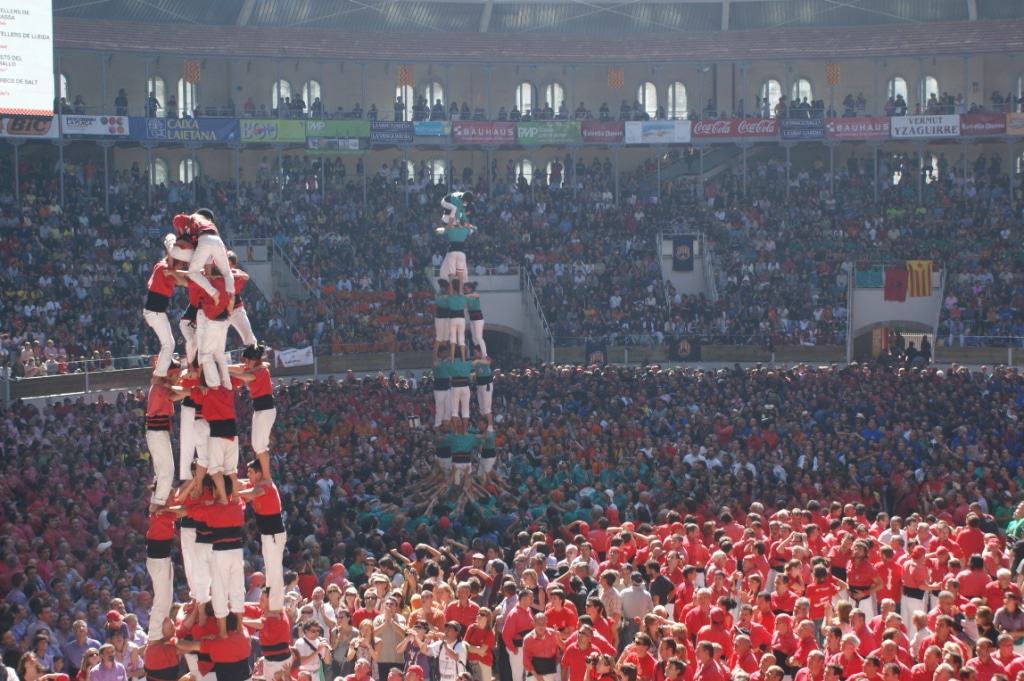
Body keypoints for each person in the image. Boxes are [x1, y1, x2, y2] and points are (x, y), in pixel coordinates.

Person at [241, 459, 287, 613]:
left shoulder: (265, 486)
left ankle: (275, 604)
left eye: (251, 472)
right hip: (267, 535)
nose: (248, 475)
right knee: (271, 570)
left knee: (274, 570)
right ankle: (272, 602)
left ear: (259, 473)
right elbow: (242, 485)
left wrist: (235, 492)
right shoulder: (255, 484)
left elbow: (251, 494)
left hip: (274, 534)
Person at [230, 345, 276, 480]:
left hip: (266, 410)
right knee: (257, 446)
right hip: (260, 409)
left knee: (261, 446)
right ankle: (262, 473)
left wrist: (226, 371)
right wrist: (223, 367)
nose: (246, 363)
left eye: (248, 360)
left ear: (255, 359)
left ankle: (267, 476)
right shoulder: (257, 367)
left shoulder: (262, 371)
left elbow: (245, 376)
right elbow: (240, 368)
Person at [225, 251, 257, 348]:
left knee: (249, 338)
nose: (226, 266)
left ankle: (254, 357)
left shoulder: (237, 273)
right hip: (220, 311)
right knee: (212, 340)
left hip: (236, 310)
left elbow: (246, 277)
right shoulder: (215, 271)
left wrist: (231, 275)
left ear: (233, 265)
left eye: (229, 264)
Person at [462, 282, 486, 358]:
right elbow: (465, 306)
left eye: (466, 288)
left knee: (479, 337)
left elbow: (478, 295)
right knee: (474, 338)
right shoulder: (466, 297)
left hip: (478, 318)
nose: (464, 290)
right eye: (464, 289)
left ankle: (485, 355)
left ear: (470, 289)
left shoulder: (474, 294)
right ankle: (478, 352)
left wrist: (468, 296)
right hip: (472, 318)